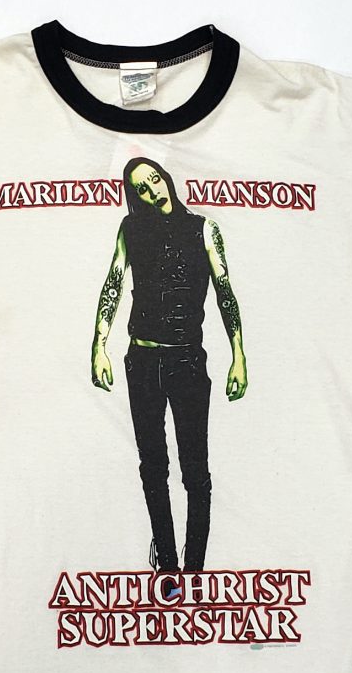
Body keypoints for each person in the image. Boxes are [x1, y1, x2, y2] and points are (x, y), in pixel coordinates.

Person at [90, 156, 247, 583]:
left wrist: (238, 355)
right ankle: (169, 567)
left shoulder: (203, 229)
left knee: (195, 471)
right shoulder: (131, 229)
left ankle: (194, 569)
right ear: (134, 195)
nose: (152, 191)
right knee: (153, 467)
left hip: (187, 361)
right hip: (142, 361)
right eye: (141, 188)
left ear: (167, 179)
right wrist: (99, 346)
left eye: (155, 180)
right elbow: (113, 282)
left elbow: (225, 292)